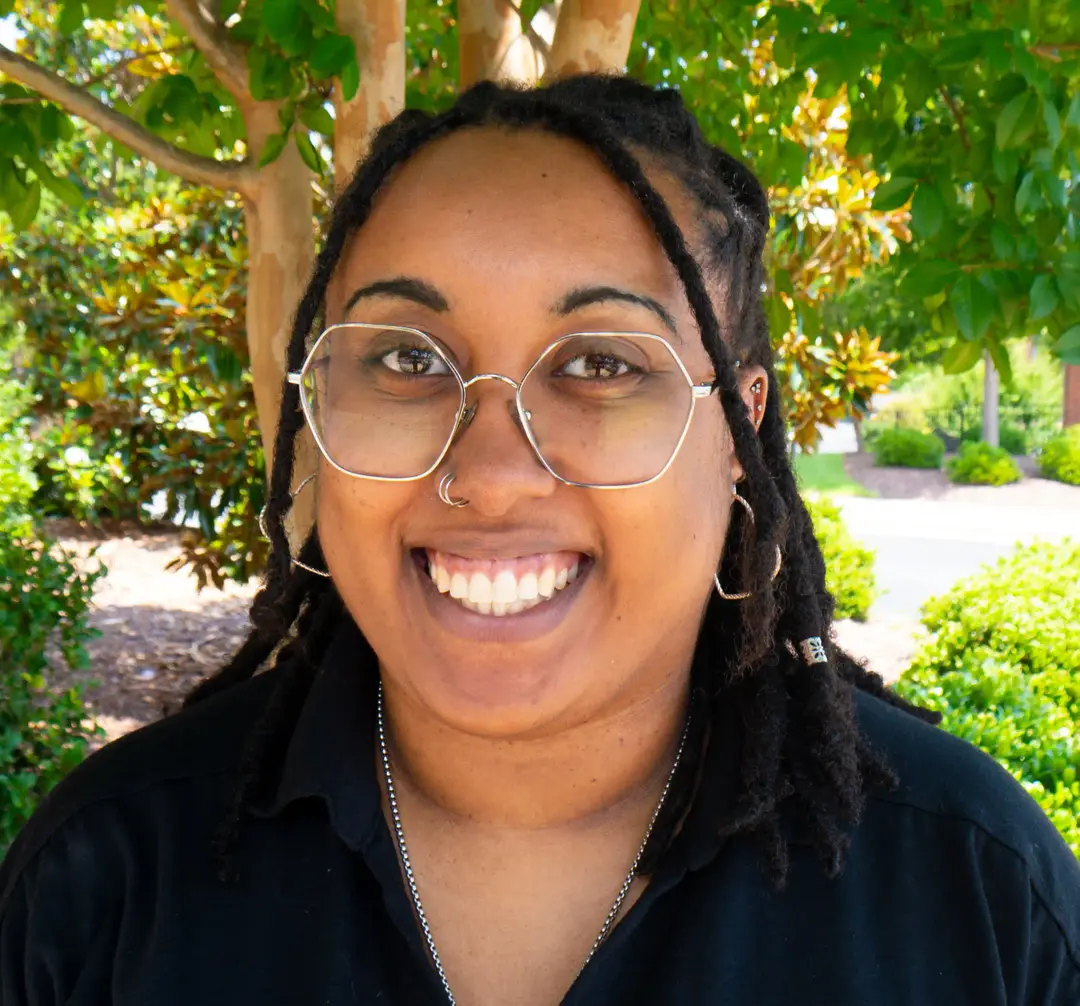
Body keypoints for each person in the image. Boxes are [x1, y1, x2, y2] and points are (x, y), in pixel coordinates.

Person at [1, 74, 1078, 1006]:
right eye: (410, 360)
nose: (491, 472)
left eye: (601, 363)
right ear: (317, 411)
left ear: (739, 434)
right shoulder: (111, 877)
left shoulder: (973, 895)